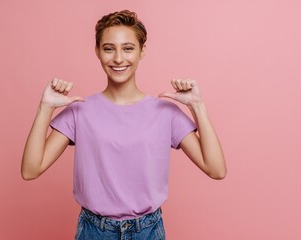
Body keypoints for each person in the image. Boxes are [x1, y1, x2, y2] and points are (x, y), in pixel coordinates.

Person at [21, 9, 226, 240]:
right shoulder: (79, 110)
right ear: (97, 51)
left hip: (148, 231)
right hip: (93, 231)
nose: (118, 58)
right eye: (109, 48)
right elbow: (30, 170)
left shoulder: (165, 112)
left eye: (128, 48)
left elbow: (216, 169)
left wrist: (197, 106)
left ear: (142, 51)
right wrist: (45, 107)